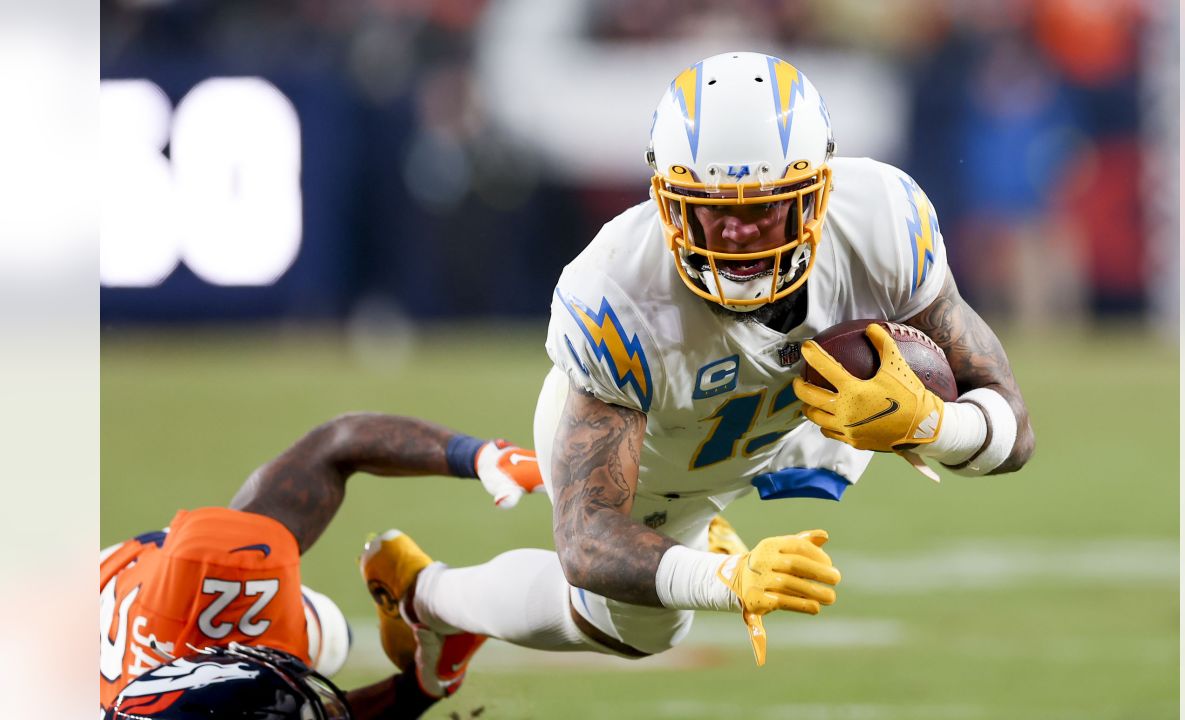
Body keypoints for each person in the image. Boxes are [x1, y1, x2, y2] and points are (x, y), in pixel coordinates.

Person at [385, 51, 1036, 668]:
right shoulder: (616, 290)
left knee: (875, 397)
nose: (736, 234)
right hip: (664, 453)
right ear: (666, 200)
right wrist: (726, 578)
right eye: (711, 212)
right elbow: (584, 538)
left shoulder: (884, 221)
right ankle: (428, 596)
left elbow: (1013, 424)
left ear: (817, 192)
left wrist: (931, 425)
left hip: (798, 422)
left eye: (763, 208)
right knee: (639, 631)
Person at [99, 412, 542, 718]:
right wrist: (426, 686)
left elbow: (335, 445)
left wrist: (481, 456)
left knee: (330, 639)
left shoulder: (217, 572)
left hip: (153, 591)